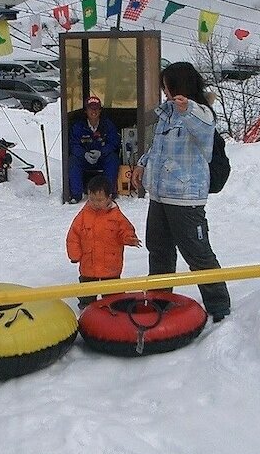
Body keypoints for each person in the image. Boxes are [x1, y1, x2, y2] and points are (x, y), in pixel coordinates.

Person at [130, 62, 231, 322]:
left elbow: (202, 126)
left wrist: (188, 108)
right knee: (159, 250)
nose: (164, 91)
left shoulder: (202, 114)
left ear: (179, 86)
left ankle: (218, 305)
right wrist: (142, 164)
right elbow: (158, 147)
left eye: (167, 86)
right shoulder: (167, 113)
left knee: (197, 253)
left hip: (186, 198)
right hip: (160, 195)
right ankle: (159, 300)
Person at [66, 175, 141, 309]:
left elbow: (126, 230)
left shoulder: (117, 216)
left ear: (109, 197)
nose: (95, 203)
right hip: (89, 263)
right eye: (92, 199)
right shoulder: (83, 216)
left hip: (110, 264)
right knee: (87, 291)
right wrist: (74, 254)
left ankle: (114, 310)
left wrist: (129, 239)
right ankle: (86, 309)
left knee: (113, 294)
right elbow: (73, 236)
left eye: (99, 200)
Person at [67, 95, 120, 204]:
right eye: (91, 108)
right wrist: (84, 154)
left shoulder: (107, 125)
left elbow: (114, 142)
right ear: (86, 111)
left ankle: (109, 193)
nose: (94, 111)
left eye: (96, 108)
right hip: (85, 159)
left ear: (100, 110)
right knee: (73, 160)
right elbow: (74, 144)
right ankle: (76, 195)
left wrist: (101, 152)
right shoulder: (78, 126)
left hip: (102, 158)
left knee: (113, 159)